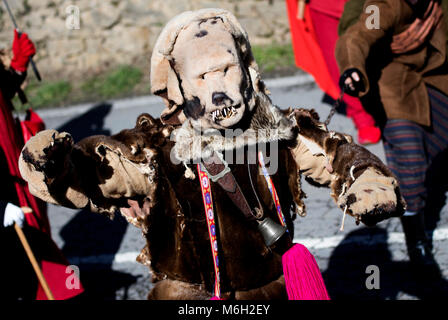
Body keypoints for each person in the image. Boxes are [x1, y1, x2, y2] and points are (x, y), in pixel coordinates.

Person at [336, 0, 448, 271]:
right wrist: (352, 68)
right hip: (393, 83)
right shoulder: (386, 4)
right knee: (409, 159)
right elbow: (357, 35)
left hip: (436, 78)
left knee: (439, 153)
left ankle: (424, 196)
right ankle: (417, 242)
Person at [0, 29, 83, 299]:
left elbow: (5, 89)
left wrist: (18, 65)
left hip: (13, 162)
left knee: (33, 231)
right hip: (2, 179)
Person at [285, 0, 381, 145]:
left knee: (376, 51)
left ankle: (383, 106)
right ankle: (362, 117)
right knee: (335, 60)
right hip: (324, 6)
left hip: (369, 5)